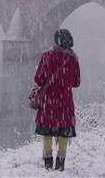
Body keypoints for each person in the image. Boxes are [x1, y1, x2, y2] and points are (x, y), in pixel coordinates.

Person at [34, 28, 80, 171]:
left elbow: (38, 79)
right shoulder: (73, 59)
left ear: (56, 40)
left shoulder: (46, 56)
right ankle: (61, 162)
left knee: (47, 131)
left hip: (49, 101)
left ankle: (48, 162)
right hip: (65, 101)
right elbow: (76, 82)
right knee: (63, 132)